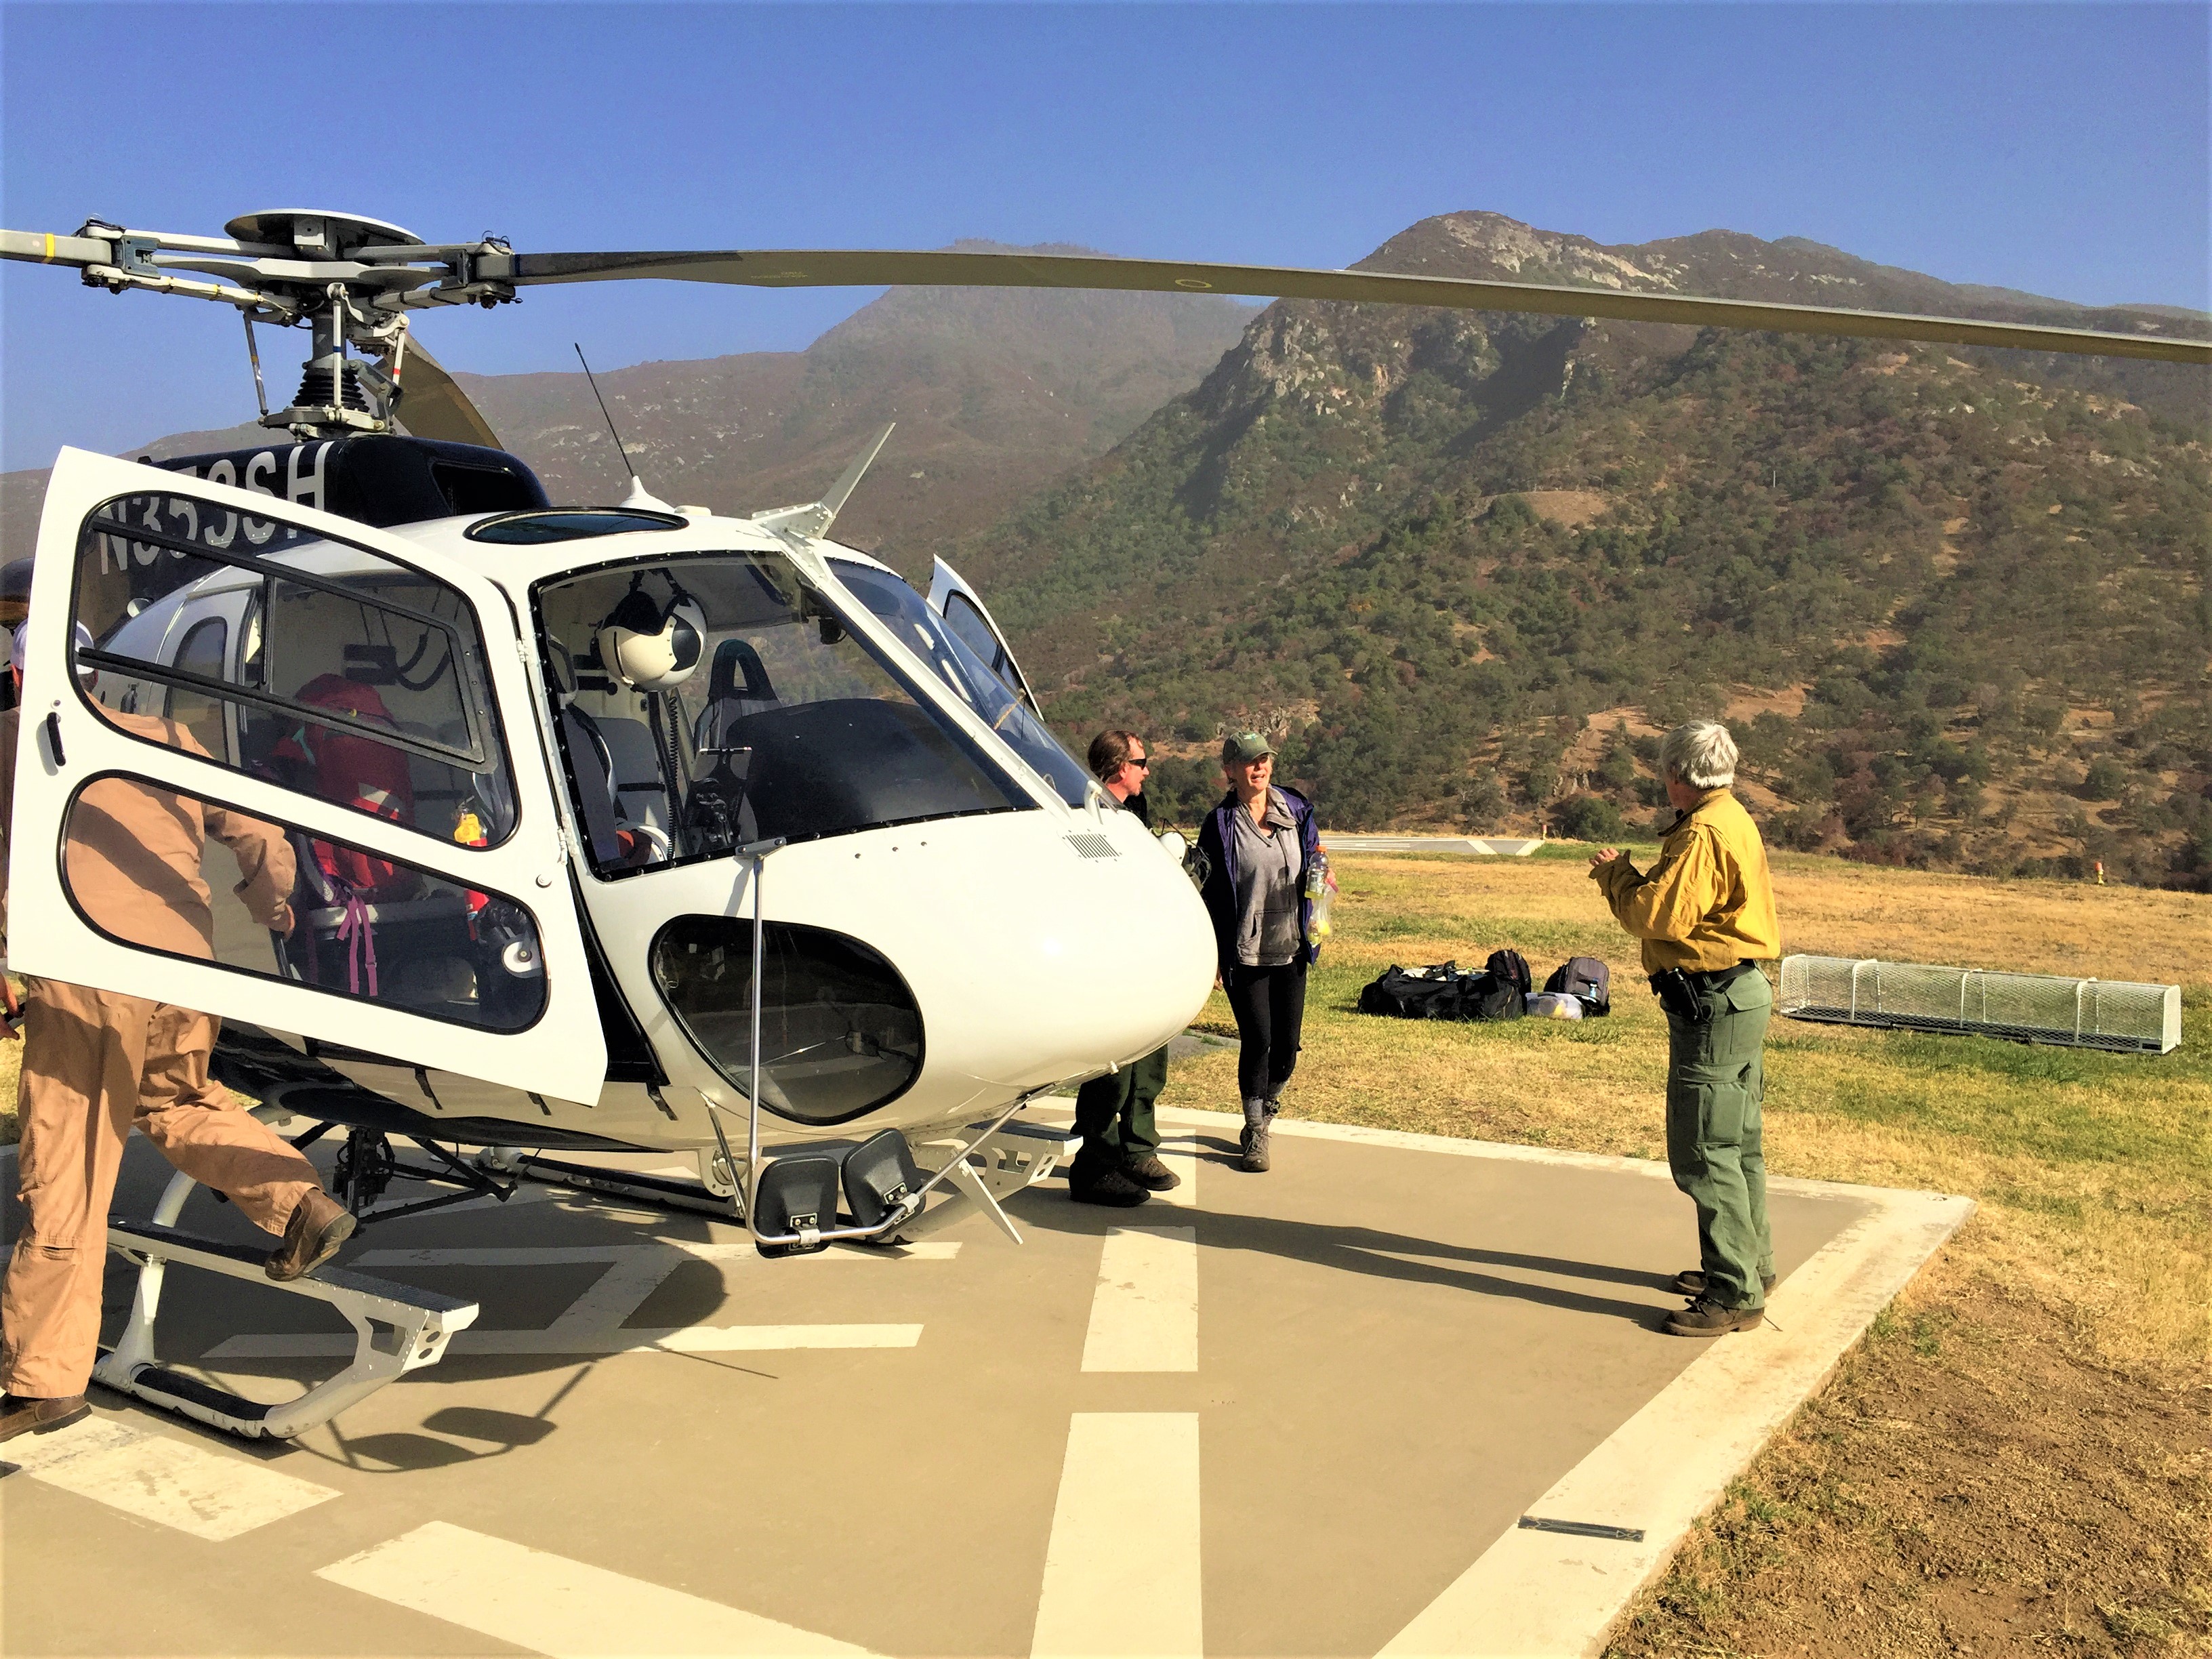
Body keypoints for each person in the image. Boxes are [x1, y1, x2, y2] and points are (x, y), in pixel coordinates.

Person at [0, 623, 354, 1443]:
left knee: (69, 1168)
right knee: (180, 1099)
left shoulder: (14, 746)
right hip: (183, 976)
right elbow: (259, 827)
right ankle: (302, 1204)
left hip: (88, 975)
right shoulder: (167, 738)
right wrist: (272, 904)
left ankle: (41, 1377)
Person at [1589, 720, 1782, 1338]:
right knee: (1738, 1142)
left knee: (1705, 1149)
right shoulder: (1731, 817)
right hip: (1736, 995)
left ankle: (1734, 1293)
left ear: (1678, 774)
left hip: (1712, 1001)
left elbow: (1658, 917)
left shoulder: (1702, 832)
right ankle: (1748, 1264)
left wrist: (1617, 874)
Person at [1195, 732, 1321, 1173]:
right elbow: (1208, 892)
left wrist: (1321, 886)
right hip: (1245, 952)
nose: (1260, 767)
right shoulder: (1220, 824)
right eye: (1250, 761)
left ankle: (1267, 1112)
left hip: (1290, 946)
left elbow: (1315, 860)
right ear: (1230, 771)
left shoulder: (1297, 810)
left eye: (1264, 759)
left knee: (1287, 1047)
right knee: (1259, 1041)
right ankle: (1256, 1131)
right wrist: (1212, 953)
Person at [1066, 730, 1179, 1207]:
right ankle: (1095, 1164)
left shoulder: (1134, 813)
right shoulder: (1083, 816)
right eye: (1140, 761)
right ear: (1118, 766)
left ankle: (1137, 1150)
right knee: (1111, 1067)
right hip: (1109, 957)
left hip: (1144, 953)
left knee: (1148, 1056)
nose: (1146, 770)